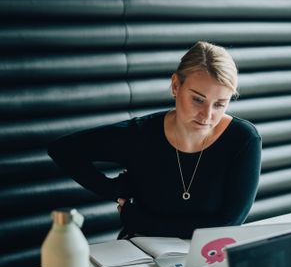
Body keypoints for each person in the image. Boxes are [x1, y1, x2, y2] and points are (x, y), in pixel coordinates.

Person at [48, 41, 262, 239]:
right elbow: (64, 149)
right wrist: (114, 190)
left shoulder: (243, 139)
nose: (207, 116)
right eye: (198, 99)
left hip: (205, 253)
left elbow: (228, 223)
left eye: (219, 104)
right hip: (141, 250)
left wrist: (140, 220)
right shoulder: (141, 133)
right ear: (176, 85)